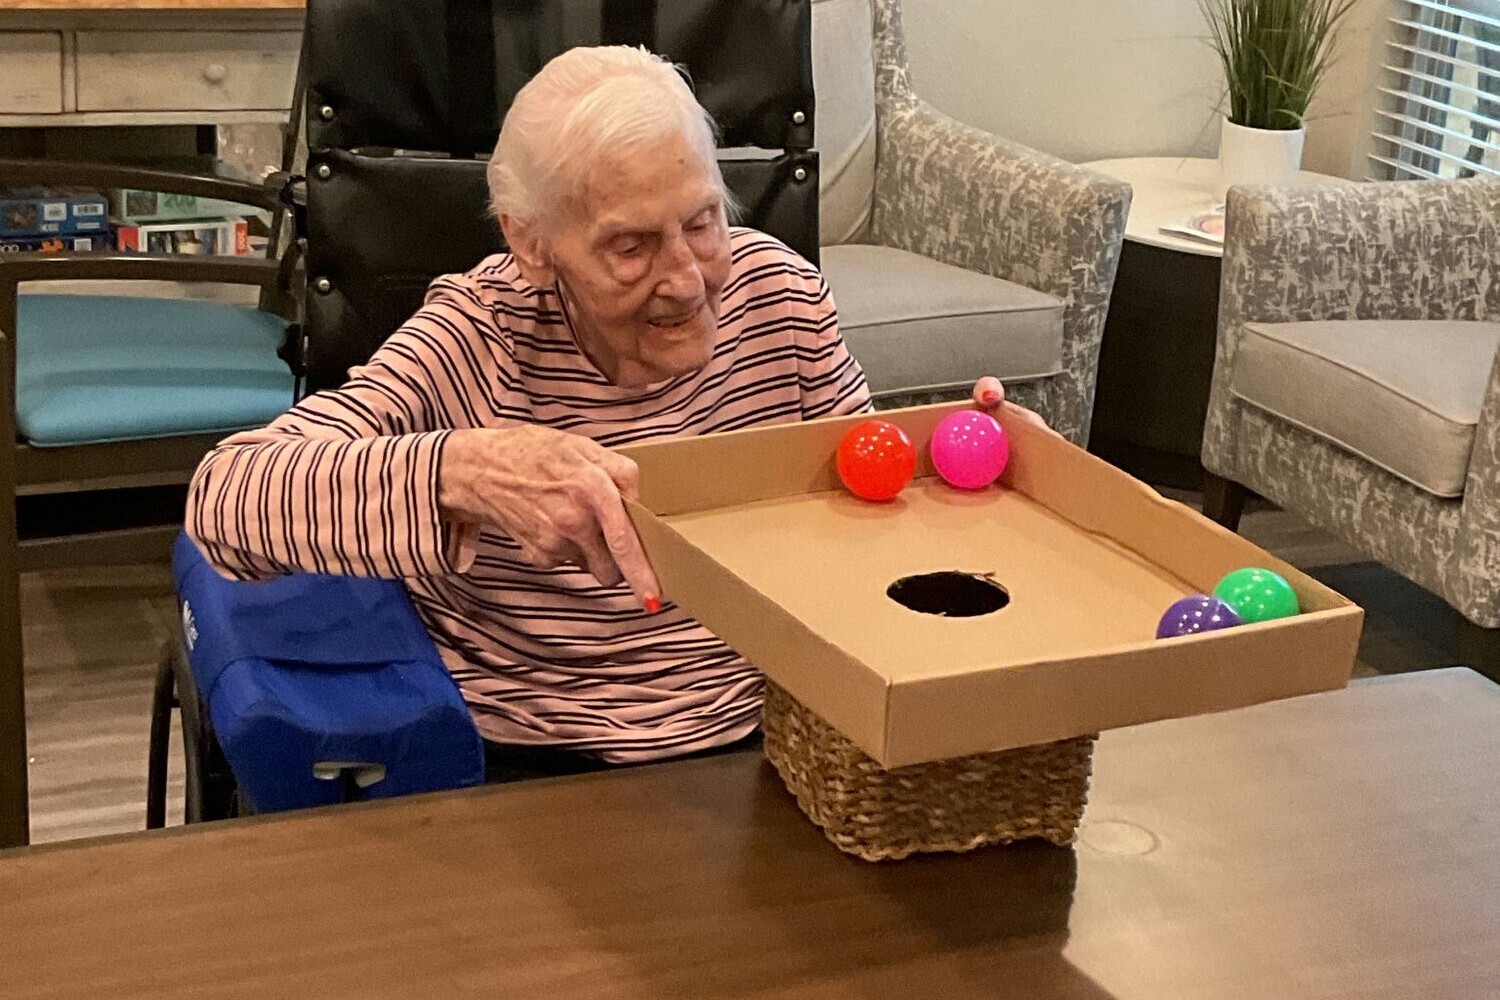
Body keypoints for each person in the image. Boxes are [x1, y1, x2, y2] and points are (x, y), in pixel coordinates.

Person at [186, 45, 1034, 779]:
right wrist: (461, 470)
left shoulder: (779, 298)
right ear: (531, 242)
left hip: (770, 737)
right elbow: (226, 496)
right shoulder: (477, 333)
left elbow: (870, 505)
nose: (687, 279)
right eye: (630, 246)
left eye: (703, 222)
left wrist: (975, 485)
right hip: (530, 760)